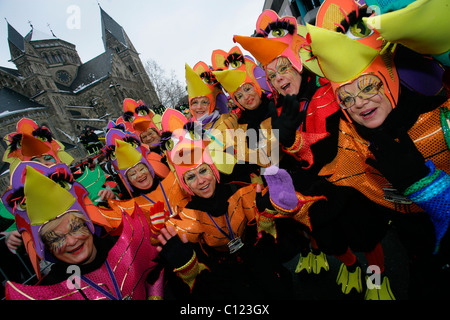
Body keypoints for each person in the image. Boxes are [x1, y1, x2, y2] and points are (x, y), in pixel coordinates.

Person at [307, 0, 450, 298]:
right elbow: (329, 174)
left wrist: (436, 195)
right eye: (345, 97)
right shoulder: (354, 137)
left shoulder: (442, 113)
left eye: (368, 86)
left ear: (391, 78)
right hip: (413, 247)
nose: (358, 102)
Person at [157, 108, 322, 299]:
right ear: (185, 185)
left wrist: (271, 208)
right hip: (230, 283)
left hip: (262, 265)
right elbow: (197, 282)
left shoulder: (239, 190)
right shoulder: (185, 217)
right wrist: (188, 265)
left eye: (203, 171)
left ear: (213, 171)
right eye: (191, 177)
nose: (200, 181)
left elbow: (270, 220)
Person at [2, 161, 164, 300]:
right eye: (56, 238)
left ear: (87, 223)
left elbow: (154, 273)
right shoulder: (48, 292)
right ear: (45, 246)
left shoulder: (129, 243)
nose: (71, 241)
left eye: (75, 228)